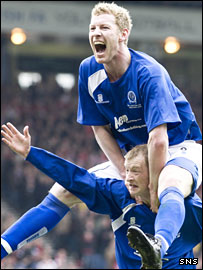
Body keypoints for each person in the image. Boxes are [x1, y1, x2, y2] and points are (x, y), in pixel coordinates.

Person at [1, 1, 202, 265]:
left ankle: (158, 245)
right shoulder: (88, 70)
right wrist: (124, 172)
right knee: (62, 191)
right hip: (134, 155)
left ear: (123, 34)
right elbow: (99, 128)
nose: (96, 33)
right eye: (92, 28)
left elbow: (159, 139)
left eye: (104, 27)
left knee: (170, 182)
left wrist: (152, 191)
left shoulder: (148, 73)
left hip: (178, 146)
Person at [1, 122, 202, 269]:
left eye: (136, 171)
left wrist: (187, 261)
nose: (128, 178)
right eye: (127, 170)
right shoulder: (119, 195)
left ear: (154, 174)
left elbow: (192, 259)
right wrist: (31, 154)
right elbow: (74, 178)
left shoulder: (187, 207)